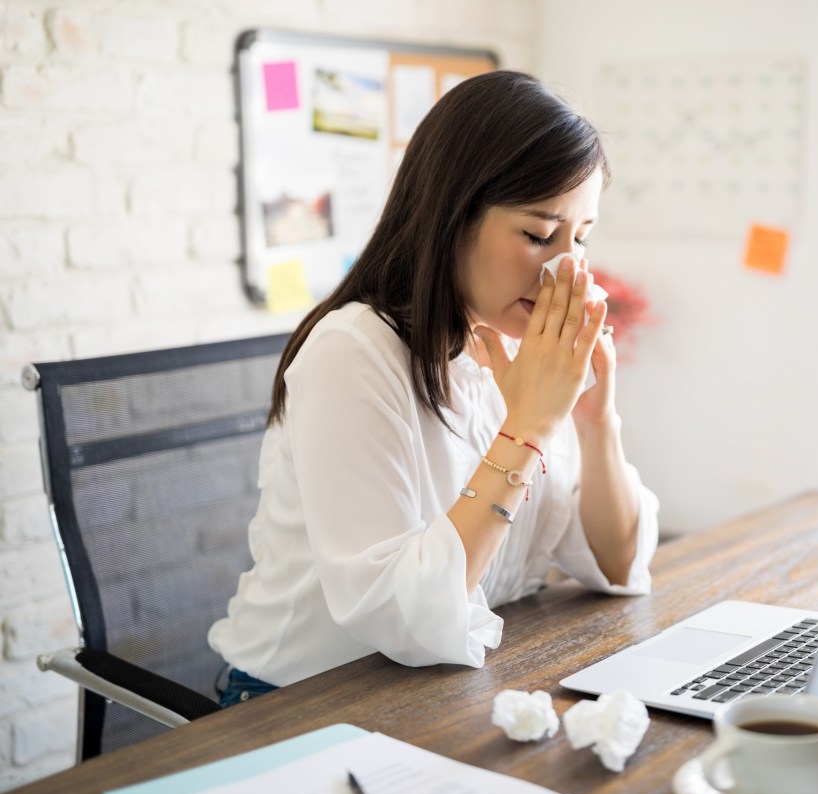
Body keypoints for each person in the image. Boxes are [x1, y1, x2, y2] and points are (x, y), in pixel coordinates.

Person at [208, 70, 660, 706]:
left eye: (580, 238)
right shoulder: (354, 352)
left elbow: (617, 563)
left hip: (443, 695)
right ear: (451, 217)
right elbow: (399, 619)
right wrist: (526, 429)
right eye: (537, 234)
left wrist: (592, 416)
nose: (567, 267)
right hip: (299, 704)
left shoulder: (512, 346)